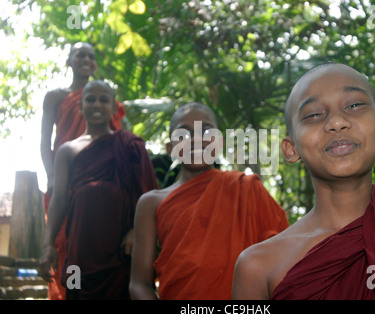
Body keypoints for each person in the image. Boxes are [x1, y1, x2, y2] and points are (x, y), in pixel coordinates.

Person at [231, 62, 375, 300]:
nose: (336, 122)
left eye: (354, 105)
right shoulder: (259, 267)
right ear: (291, 149)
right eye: (314, 114)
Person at [129, 102, 289, 300]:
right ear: (171, 148)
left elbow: (283, 260)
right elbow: (139, 283)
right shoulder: (151, 202)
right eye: (184, 134)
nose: (196, 139)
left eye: (205, 131)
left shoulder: (246, 188)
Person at [39, 80, 158, 300]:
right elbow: (59, 201)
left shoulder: (130, 145)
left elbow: (148, 194)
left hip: (122, 248)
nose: (96, 105)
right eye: (90, 99)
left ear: (114, 107)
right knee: (74, 290)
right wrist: (48, 244)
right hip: (79, 245)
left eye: (104, 100)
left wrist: (136, 231)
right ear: (79, 107)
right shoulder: (67, 150)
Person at [40, 42, 125, 299]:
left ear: (95, 64)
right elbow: (46, 141)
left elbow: (117, 141)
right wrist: (53, 178)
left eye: (90, 56)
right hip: (66, 178)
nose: (86, 59)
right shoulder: (56, 96)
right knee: (67, 245)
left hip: (102, 188)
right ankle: (67, 294)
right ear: (69, 61)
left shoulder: (107, 100)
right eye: (80, 55)